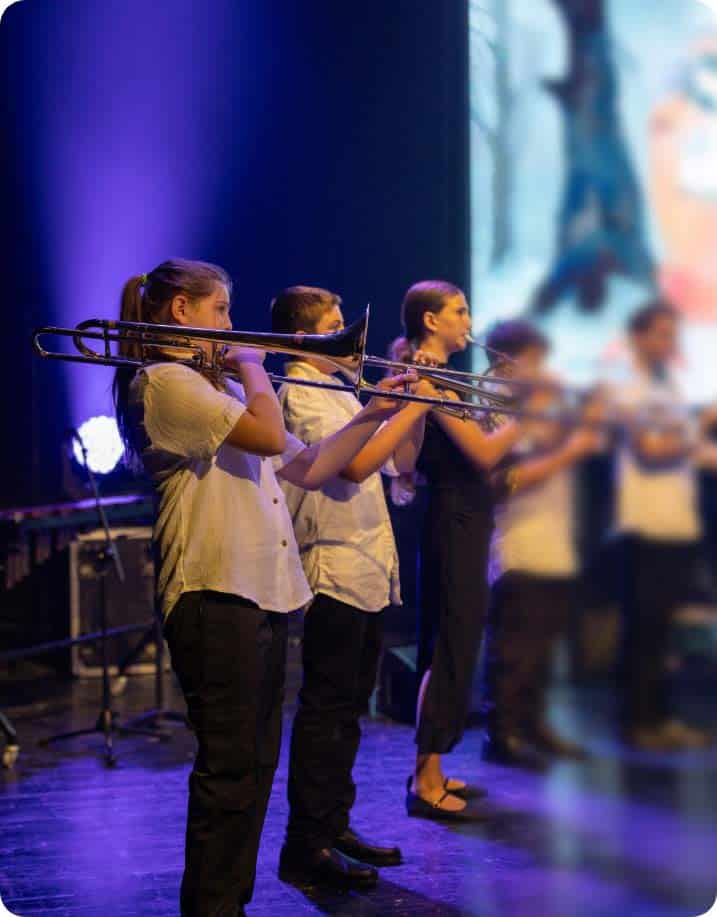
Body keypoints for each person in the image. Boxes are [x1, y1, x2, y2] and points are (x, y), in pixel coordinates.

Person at [112, 259, 417, 916]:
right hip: (212, 590)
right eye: (220, 310)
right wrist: (254, 363)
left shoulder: (208, 386)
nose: (230, 324)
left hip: (258, 590)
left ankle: (230, 903)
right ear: (180, 311)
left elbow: (309, 465)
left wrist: (377, 413)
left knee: (251, 768)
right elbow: (269, 431)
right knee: (229, 772)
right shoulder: (164, 382)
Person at [270, 286, 435, 887]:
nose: (350, 338)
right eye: (336, 327)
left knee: (348, 713)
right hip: (333, 568)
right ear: (303, 338)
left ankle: (331, 827)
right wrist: (409, 407)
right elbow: (356, 466)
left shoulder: (338, 390)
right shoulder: (301, 391)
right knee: (328, 710)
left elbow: (401, 465)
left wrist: (414, 405)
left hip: (366, 565)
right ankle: (306, 844)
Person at [393, 281, 529, 821]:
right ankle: (425, 780)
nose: (468, 320)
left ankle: (432, 765)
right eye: (460, 310)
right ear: (431, 320)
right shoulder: (431, 378)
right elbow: (484, 451)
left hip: (467, 518)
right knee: (450, 650)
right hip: (454, 520)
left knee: (450, 649)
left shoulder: (446, 376)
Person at [479, 319, 603, 771]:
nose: (544, 368)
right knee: (516, 642)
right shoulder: (493, 400)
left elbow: (554, 445)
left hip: (552, 535)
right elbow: (504, 479)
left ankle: (533, 724)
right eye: (536, 359)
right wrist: (572, 447)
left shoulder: (536, 402)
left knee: (545, 640)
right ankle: (504, 731)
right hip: (518, 537)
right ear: (508, 360)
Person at [615, 299, 716, 751]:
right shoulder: (628, 387)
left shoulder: (666, 383)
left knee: (660, 632)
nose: (669, 342)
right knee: (646, 629)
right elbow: (651, 449)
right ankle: (640, 723)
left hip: (675, 524)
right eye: (661, 332)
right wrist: (698, 426)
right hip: (647, 526)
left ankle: (658, 717)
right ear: (639, 337)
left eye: (672, 333)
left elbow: (685, 449)